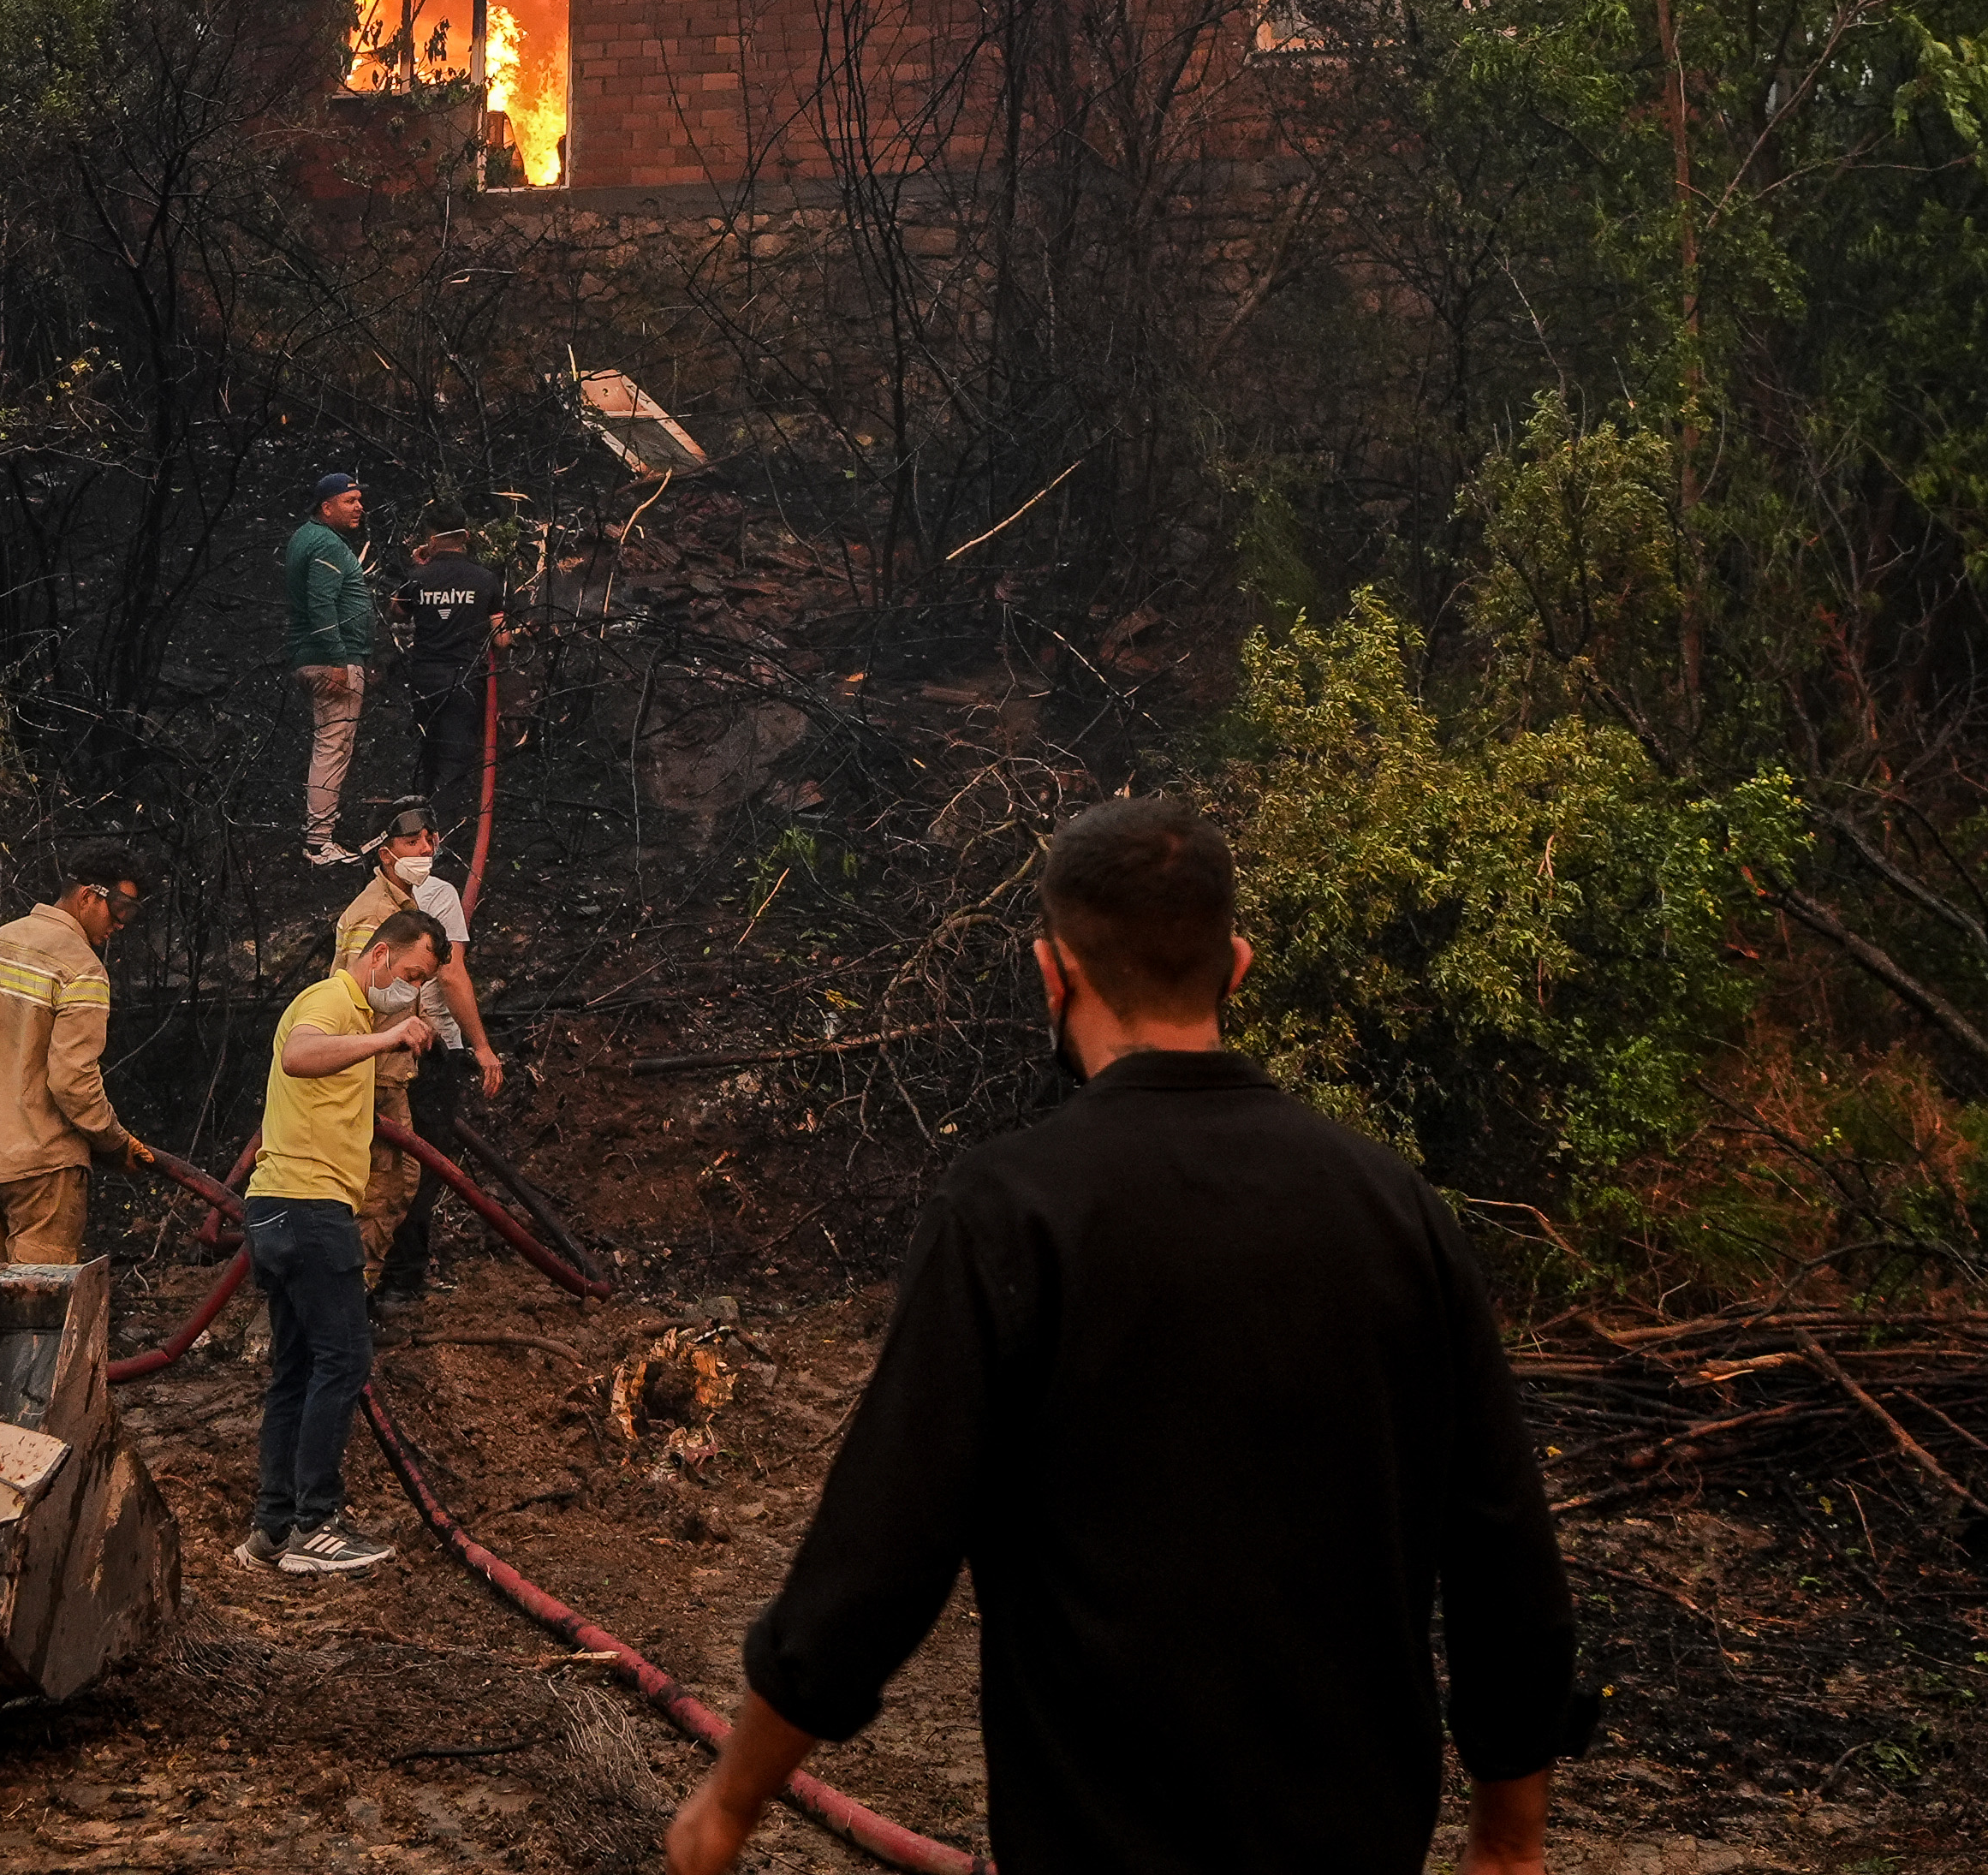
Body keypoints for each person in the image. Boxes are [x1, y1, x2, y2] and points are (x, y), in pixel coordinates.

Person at [664, 797, 1587, 1875]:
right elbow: (1501, 1545)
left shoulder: (1012, 1211)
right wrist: (1509, 1837)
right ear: (1236, 965)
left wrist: (730, 1803)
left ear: (1052, 974)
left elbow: (881, 1550)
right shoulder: (1393, 1205)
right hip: (1353, 1841)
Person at [240, 903, 449, 1577]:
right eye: (411, 973)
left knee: (297, 1369)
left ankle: (271, 1528)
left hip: (279, 1207)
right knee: (345, 1361)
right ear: (380, 954)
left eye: (423, 983)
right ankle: (316, 1526)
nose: (411, 990)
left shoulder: (354, 1016)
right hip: (306, 1209)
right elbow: (300, 1055)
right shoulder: (330, 1000)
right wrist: (384, 1042)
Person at [326, 799, 504, 1302]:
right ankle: (381, 1289)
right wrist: (478, 1047)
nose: (427, 849)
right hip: (392, 1065)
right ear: (385, 853)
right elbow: (395, 989)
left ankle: (377, 1286)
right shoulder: (378, 916)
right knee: (395, 1179)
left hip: (396, 1059)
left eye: (431, 839)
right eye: (413, 842)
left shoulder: (396, 905)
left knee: (404, 1173)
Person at [0, 839, 156, 1265]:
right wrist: (114, 1143)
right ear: (87, 896)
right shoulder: (82, 967)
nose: (121, 924)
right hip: (43, 1166)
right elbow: (72, 1080)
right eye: (120, 909)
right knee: (38, 1312)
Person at [282, 473, 384, 866]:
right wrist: (339, 660)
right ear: (327, 507)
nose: (359, 507)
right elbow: (321, 604)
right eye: (349, 501)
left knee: (330, 744)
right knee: (333, 747)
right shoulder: (325, 543)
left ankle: (321, 832)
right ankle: (319, 842)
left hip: (315, 656)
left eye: (360, 499)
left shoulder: (310, 537)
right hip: (329, 660)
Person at [395, 527, 504, 834]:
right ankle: (439, 836)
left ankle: (419, 828)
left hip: (424, 678)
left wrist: (419, 567)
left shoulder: (419, 576)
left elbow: (397, 610)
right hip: (464, 680)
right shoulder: (484, 579)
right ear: (465, 537)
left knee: (430, 751)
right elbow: (502, 638)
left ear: (431, 538)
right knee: (454, 759)